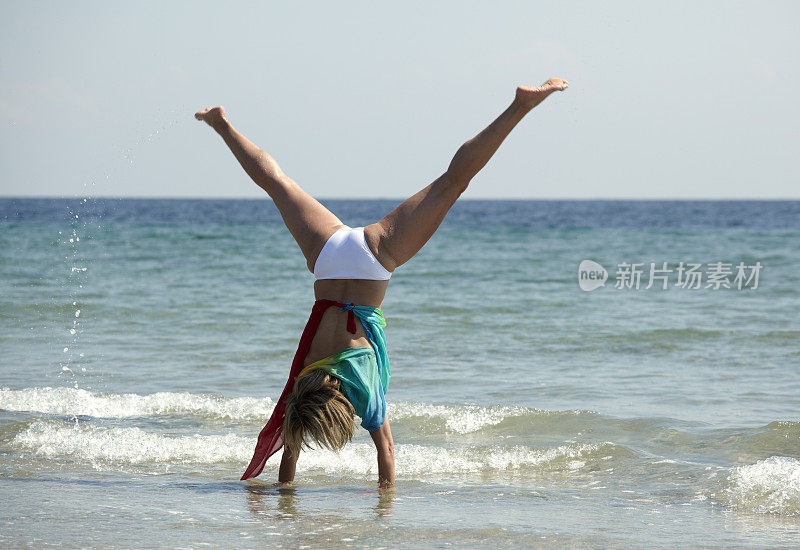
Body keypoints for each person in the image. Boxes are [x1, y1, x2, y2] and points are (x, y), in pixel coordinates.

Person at [194, 78, 569, 488]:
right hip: (329, 256)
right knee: (279, 184)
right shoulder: (304, 384)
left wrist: (382, 510)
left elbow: (385, 453)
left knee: (453, 184)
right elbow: (290, 448)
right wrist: (285, 493)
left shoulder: (364, 395)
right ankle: (221, 124)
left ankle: (520, 107)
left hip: (376, 259)